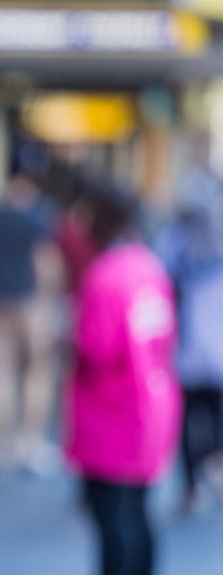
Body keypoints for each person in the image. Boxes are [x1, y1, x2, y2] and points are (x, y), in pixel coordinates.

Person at [62, 180, 181, 575]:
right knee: (140, 513)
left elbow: (95, 347)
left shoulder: (104, 276)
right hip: (152, 404)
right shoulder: (147, 265)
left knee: (113, 521)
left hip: (112, 413)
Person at [0, 152, 64, 478]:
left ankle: (1, 449)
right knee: (37, 371)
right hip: (30, 303)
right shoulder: (37, 218)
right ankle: (31, 443)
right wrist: (52, 301)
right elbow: (45, 265)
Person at [153, 156, 223, 513]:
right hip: (213, 347)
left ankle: (193, 484)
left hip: (187, 346)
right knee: (216, 411)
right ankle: (214, 463)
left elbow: (158, 281)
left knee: (187, 417)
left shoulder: (173, 241)